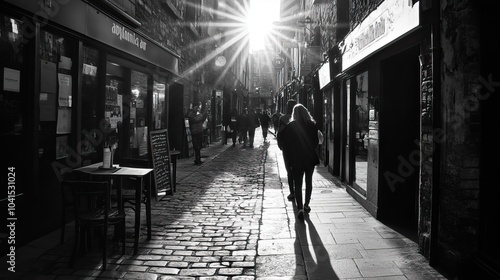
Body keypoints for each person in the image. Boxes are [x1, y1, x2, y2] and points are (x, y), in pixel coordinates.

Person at [278, 104, 319, 220]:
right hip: (309, 157)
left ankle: (299, 207)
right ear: (305, 112)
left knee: (298, 183)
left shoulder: (291, 126)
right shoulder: (312, 125)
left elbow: (287, 144)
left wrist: (290, 158)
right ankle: (306, 205)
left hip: (296, 158)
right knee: (309, 181)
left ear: (294, 114)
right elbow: (316, 142)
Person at [277, 99, 297, 201]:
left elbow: (279, 133)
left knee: (289, 171)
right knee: (297, 171)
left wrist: (281, 145)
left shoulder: (283, 119)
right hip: (298, 148)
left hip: (287, 148)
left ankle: (292, 192)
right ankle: (297, 191)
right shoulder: (299, 119)